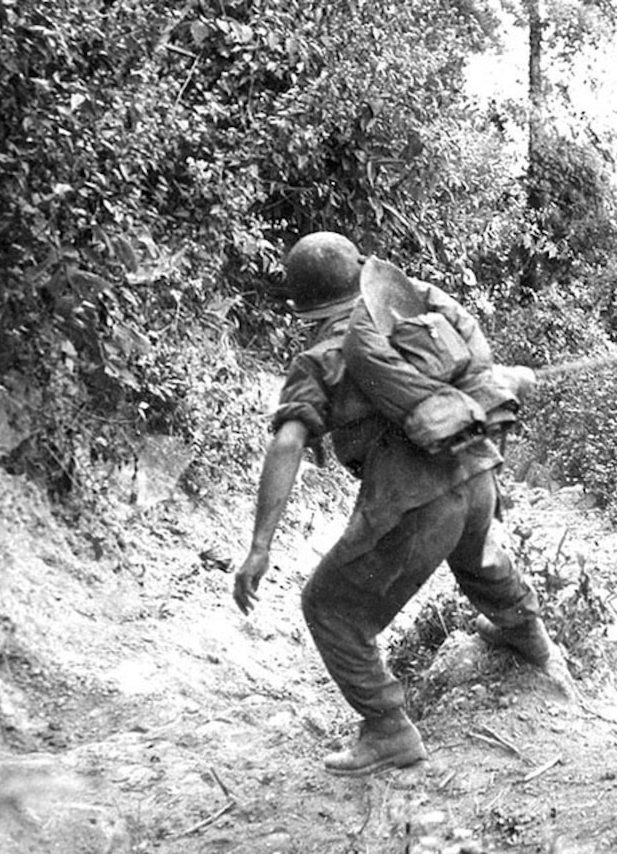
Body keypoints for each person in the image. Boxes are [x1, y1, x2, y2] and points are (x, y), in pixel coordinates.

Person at [233, 231, 568, 777]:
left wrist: (260, 545)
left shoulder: (320, 358)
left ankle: (388, 729)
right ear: (362, 273)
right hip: (479, 476)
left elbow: (289, 441)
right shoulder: (412, 316)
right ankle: (530, 638)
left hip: (415, 500)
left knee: (329, 608)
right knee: (479, 558)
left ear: (305, 304)